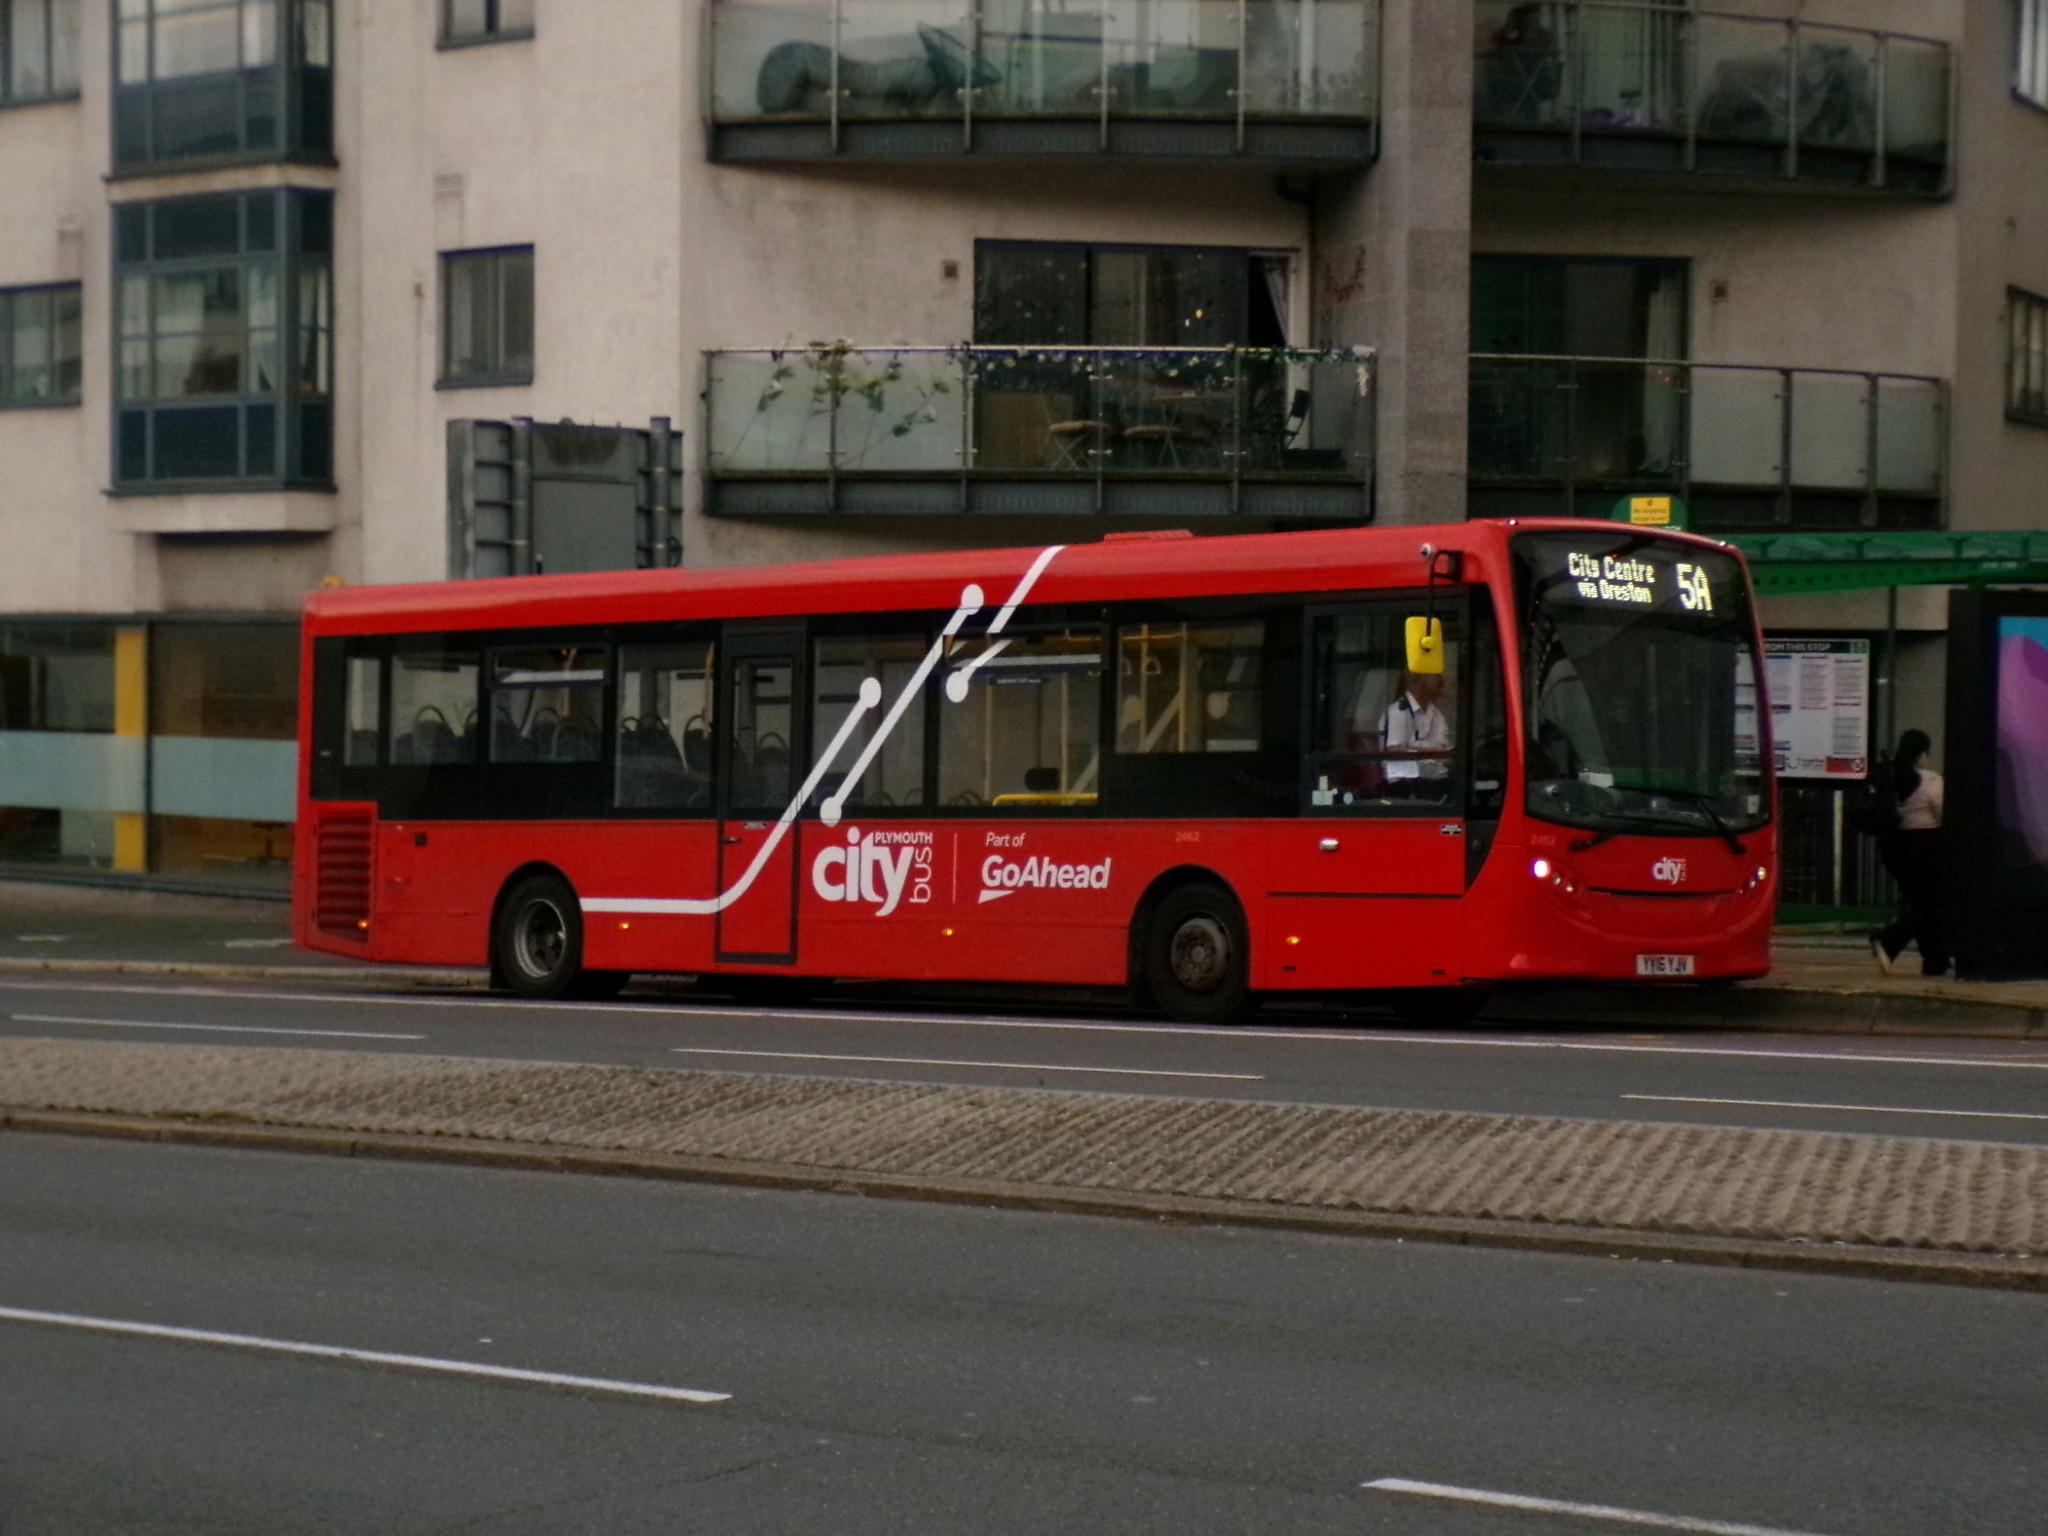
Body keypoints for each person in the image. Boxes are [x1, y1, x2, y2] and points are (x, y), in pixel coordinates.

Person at [1870, 728, 1950, 977]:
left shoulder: (1889, 776)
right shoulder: (1931, 781)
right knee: (1930, 905)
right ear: (1923, 753)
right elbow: (1943, 816)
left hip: (1893, 848)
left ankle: (1935, 961)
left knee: (1922, 905)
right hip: (1925, 847)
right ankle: (1887, 941)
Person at [1382, 670, 1452, 796]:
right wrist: (1428, 753)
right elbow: (1394, 751)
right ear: (1419, 678)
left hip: (1437, 780)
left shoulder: (1436, 714)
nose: (1441, 680)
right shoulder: (1398, 712)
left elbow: (1443, 747)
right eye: (1436, 675)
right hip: (1407, 785)